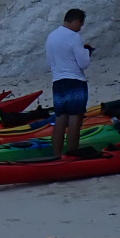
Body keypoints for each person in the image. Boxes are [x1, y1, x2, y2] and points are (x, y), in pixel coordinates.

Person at [45, 9, 93, 160]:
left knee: (60, 118)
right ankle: (72, 154)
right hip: (75, 81)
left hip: (58, 81)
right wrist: (88, 52)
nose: (81, 27)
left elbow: (51, 61)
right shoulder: (74, 37)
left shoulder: (51, 36)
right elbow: (83, 63)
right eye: (81, 24)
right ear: (76, 21)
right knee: (75, 119)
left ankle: (57, 154)